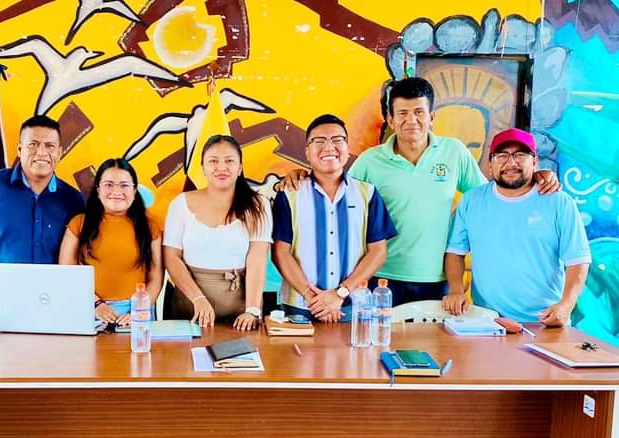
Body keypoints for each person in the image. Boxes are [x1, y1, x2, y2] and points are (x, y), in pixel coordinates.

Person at [281, 77, 560, 306]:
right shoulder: (370, 160)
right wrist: (302, 176)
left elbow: (488, 195)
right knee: (380, 349)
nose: (411, 120)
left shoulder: (453, 152)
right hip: (381, 278)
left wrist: (534, 177)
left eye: (419, 112)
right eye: (402, 113)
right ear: (390, 119)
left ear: (431, 117)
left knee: (430, 351)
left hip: (437, 278)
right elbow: (336, 190)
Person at [442, 128, 591, 326]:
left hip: (545, 322)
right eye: (502, 156)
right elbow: (455, 252)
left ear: (535, 161)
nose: (511, 163)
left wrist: (566, 305)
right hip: (487, 321)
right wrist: (455, 289)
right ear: (489, 164)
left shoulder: (559, 202)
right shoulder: (471, 201)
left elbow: (578, 260)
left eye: (520, 155)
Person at [0, 115, 84, 322]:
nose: (42, 152)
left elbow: (81, 255)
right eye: (33, 144)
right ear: (20, 149)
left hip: (52, 305)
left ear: (59, 152)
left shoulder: (72, 199)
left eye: (49, 146)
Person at [272, 114, 396, 322]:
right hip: (299, 309)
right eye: (319, 141)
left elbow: (378, 252)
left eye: (337, 140)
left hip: (352, 308)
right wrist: (313, 298)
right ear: (307, 152)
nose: (329, 147)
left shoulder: (367, 194)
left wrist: (340, 293)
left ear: (347, 147)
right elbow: (280, 253)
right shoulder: (289, 194)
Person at [163, 134, 272, 331]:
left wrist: (252, 310)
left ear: (240, 168)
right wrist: (198, 299)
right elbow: (171, 257)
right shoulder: (180, 203)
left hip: (241, 311)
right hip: (189, 305)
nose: (222, 167)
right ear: (203, 168)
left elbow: (257, 259)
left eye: (229, 161)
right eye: (213, 161)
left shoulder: (259, 205)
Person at [59, 158, 163, 326]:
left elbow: (155, 278)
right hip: (88, 309)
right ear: (98, 189)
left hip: (136, 313)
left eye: (124, 185)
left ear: (134, 190)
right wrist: (96, 305)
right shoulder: (79, 223)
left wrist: (137, 311)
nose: (116, 191)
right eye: (108, 185)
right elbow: (67, 273)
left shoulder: (150, 227)